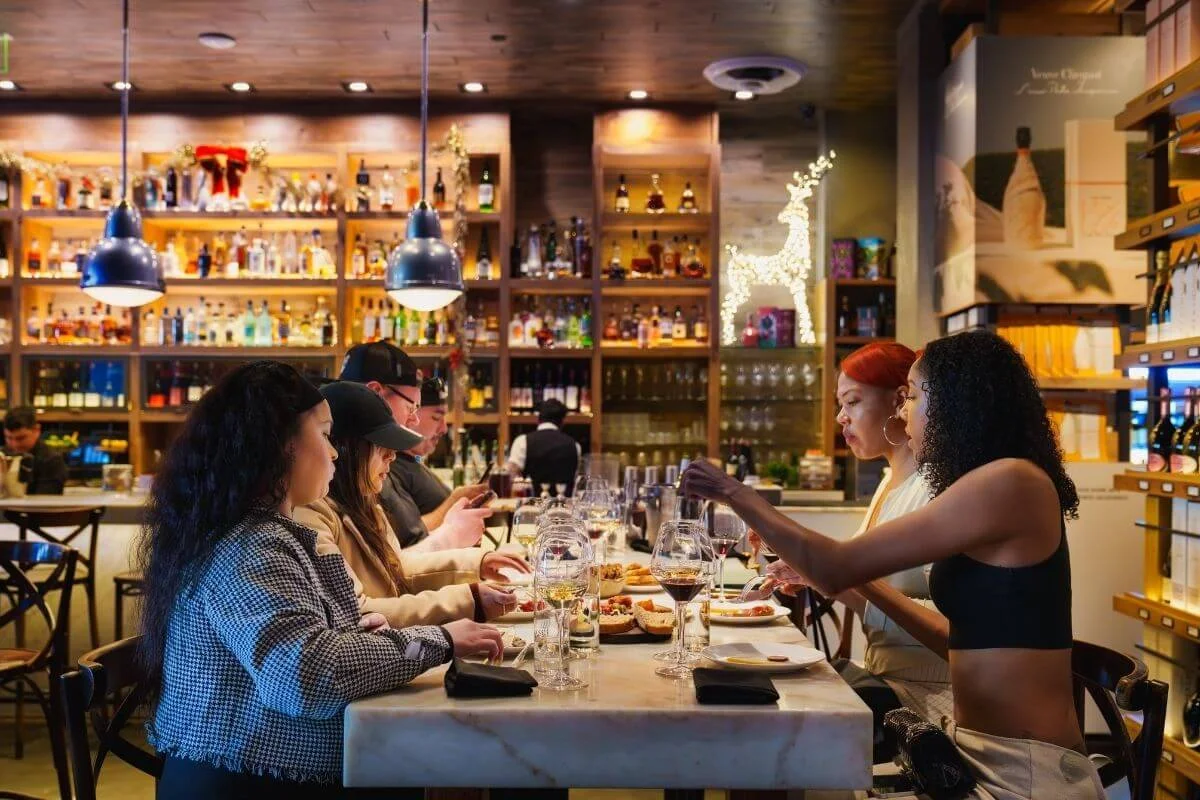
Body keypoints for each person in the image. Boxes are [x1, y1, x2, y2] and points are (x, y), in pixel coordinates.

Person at [682, 330, 1104, 800]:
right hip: (970, 751)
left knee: (776, 755)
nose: (904, 412)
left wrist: (734, 493)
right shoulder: (994, 483)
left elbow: (838, 565)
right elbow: (952, 638)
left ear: (955, 404)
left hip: (1022, 771)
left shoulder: (1010, 483)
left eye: (914, 396)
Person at [137, 361, 503, 799]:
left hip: (261, 769)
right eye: (326, 435)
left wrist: (352, 634)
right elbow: (302, 676)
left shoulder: (262, 529)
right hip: (249, 777)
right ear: (280, 445)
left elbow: (302, 641)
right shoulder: (251, 545)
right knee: (459, 763)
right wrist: (439, 639)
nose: (334, 453)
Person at [755, 343, 950, 763]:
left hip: (929, 701)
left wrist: (836, 572)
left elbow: (953, 623)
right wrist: (814, 576)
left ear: (901, 400)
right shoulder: (889, 481)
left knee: (776, 735)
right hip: (885, 682)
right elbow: (874, 596)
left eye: (852, 401)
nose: (840, 417)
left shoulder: (936, 489)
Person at [294, 380, 527, 629]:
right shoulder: (310, 513)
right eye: (381, 447)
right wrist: (469, 600)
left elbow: (396, 568)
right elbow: (358, 612)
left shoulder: (364, 502)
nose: (392, 456)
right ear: (345, 450)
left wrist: (476, 562)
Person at [339, 341, 490, 550]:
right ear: (375, 392)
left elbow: (391, 562)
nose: (414, 420)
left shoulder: (363, 472)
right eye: (411, 407)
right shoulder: (343, 477)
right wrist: (453, 535)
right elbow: (398, 561)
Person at [392, 375, 477, 532]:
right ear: (410, 415)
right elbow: (407, 535)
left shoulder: (413, 462)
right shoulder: (389, 468)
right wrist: (455, 500)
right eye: (436, 417)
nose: (444, 429)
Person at [506, 398, 581, 497]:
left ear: (538, 419)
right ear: (562, 421)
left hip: (530, 509)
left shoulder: (522, 441)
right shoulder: (575, 446)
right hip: (564, 510)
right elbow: (576, 481)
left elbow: (511, 477)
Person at [3, 406, 67, 495]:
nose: (15, 445)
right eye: (9, 438)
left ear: (36, 430)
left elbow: (43, 504)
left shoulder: (52, 461)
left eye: (21, 438)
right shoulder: (2, 456)